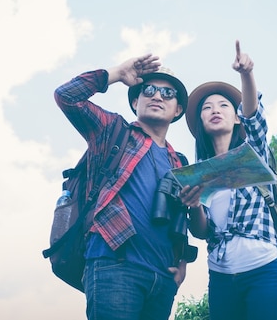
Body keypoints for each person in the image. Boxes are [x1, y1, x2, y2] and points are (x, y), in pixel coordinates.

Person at [55, 53, 196, 320]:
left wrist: (182, 263)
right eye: (148, 90)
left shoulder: (180, 163)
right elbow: (66, 96)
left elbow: (184, 219)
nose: (157, 96)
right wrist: (117, 73)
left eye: (168, 93)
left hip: (162, 279)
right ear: (135, 101)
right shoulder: (113, 132)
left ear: (178, 109)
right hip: (114, 266)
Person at [179, 41, 277, 320]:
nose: (215, 110)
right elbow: (203, 233)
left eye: (224, 105)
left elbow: (253, 117)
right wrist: (194, 205)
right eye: (207, 108)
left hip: (263, 266)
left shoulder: (254, 151)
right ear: (201, 122)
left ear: (236, 117)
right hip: (221, 274)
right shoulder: (198, 172)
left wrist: (246, 73)